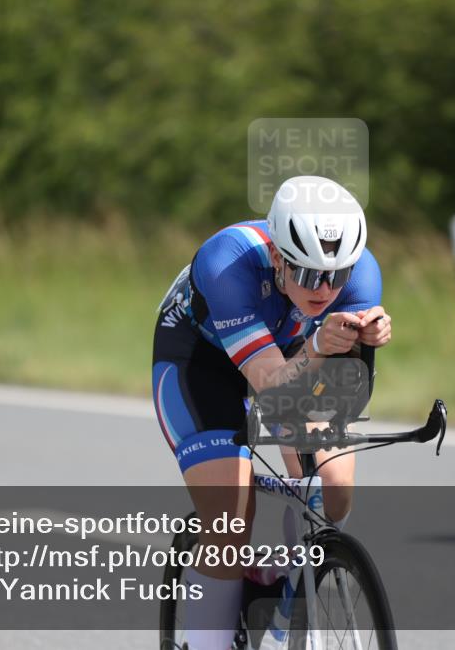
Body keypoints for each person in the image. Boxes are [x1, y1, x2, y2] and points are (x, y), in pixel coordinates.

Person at [152, 175, 392, 650]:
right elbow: (269, 386)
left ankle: (286, 612)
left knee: (333, 487)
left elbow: (344, 393)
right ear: (279, 257)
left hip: (294, 355)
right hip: (201, 364)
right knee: (230, 523)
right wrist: (322, 342)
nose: (324, 289)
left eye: (336, 275)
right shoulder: (229, 263)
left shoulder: (360, 272)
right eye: (307, 274)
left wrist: (364, 341)